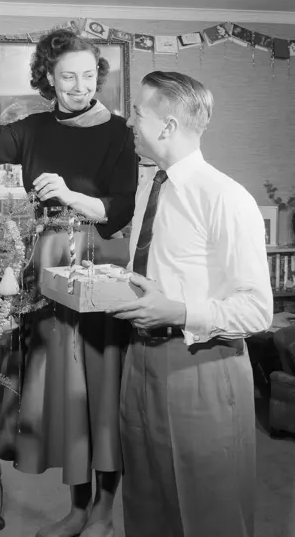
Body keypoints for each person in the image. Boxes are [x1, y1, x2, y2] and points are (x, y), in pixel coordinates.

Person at [0, 29, 137, 537]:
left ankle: (104, 510)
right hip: (48, 267)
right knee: (64, 392)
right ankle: (77, 509)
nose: (79, 85)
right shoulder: (33, 128)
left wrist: (71, 195)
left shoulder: (119, 132)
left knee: (100, 383)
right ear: (48, 78)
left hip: (100, 263)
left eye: (89, 75)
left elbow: (120, 208)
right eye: (68, 76)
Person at [106, 71, 273, 537]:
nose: (131, 122)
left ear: (167, 126)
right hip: (139, 361)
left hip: (202, 365)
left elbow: (257, 310)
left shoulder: (225, 198)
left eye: (139, 113)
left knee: (209, 505)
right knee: (146, 495)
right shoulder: (148, 188)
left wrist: (178, 313)